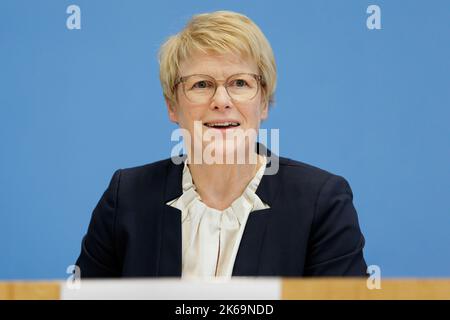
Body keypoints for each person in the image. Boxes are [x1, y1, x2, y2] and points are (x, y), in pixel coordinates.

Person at [75, 10, 367, 278]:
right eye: (201, 84)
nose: (221, 101)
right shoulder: (126, 197)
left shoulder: (321, 202)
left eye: (240, 83)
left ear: (263, 101)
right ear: (172, 107)